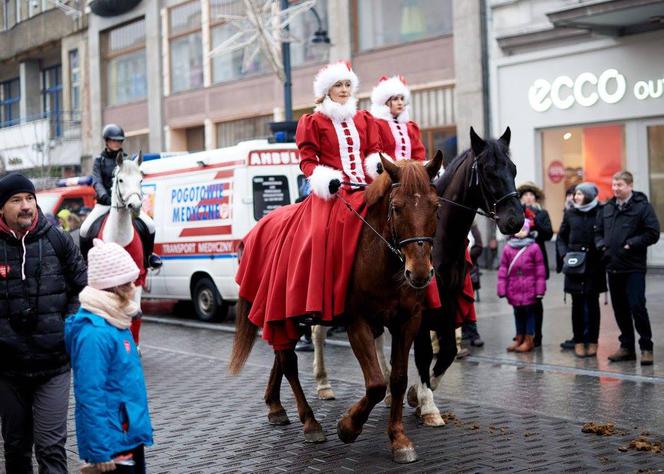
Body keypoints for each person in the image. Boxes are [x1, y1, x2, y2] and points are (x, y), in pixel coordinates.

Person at [235, 61, 385, 349]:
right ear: (327, 90)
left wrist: (378, 170)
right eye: (338, 85)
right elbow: (307, 160)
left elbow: (372, 153)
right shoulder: (313, 122)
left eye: (347, 85)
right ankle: (317, 301)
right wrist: (323, 178)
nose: (343, 90)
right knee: (318, 236)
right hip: (331, 192)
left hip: (363, 188)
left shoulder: (364, 119)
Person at [0, 173, 87, 473]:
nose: (26, 206)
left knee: (51, 448)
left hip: (53, 364)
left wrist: (69, 323)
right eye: (16, 200)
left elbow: (82, 284)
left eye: (29, 199)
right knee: (15, 449)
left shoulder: (56, 237)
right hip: (8, 369)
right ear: (1, 208)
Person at [66, 239, 153, 473]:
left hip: (126, 433)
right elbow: (89, 394)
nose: (134, 288)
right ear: (112, 286)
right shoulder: (95, 332)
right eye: (127, 283)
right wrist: (99, 450)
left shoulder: (116, 319)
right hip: (113, 441)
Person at [596, 171, 660, 365]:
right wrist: (601, 245)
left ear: (630, 186)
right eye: (614, 185)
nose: (615, 189)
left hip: (634, 267)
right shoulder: (607, 207)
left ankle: (646, 347)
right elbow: (598, 231)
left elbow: (653, 233)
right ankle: (627, 348)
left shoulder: (643, 207)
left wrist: (631, 244)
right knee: (620, 310)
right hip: (613, 267)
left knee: (637, 306)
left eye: (620, 185)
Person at [80, 123, 161, 269]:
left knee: (150, 225)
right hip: (104, 204)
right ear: (107, 141)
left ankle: (149, 257)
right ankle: (84, 263)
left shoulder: (128, 161)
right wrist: (104, 196)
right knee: (84, 229)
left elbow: (133, 181)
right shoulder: (100, 161)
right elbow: (96, 181)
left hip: (126, 204)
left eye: (119, 141)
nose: (116, 143)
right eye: (113, 140)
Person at [557, 183, 607, 358]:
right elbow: (561, 237)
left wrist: (603, 252)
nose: (575, 197)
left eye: (579, 194)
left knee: (593, 303)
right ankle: (579, 341)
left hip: (594, 264)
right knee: (576, 303)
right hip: (574, 265)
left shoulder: (601, 212)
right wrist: (564, 255)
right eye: (575, 194)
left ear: (589, 195)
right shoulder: (570, 213)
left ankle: (593, 341)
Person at [497, 220, 546, 353]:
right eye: (518, 230)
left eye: (523, 229)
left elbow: (540, 271)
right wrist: (501, 288)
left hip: (530, 289)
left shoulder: (534, 248)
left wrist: (540, 290)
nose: (520, 232)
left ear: (528, 231)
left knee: (530, 314)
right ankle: (519, 339)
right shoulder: (508, 248)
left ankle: (529, 340)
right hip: (514, 288)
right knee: (517, 314)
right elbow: (503, 270)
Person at [517, 181, 553, 347]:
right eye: (525, 195)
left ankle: (536, 334)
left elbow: (547, 234)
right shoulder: (517, 213)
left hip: (536, 263)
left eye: (531, 195)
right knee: (518, 300)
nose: (528, 198)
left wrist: (535, 219)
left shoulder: (542, 214)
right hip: (518, 263)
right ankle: (522, 333)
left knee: (536, 302)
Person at [369, 75, 426, 162]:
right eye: (395, 99)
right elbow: (376, 151)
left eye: (402, 99)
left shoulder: (410, 127)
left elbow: (418, 152)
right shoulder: (377, 125)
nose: (400, 103)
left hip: (410, 172)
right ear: (386, 102)